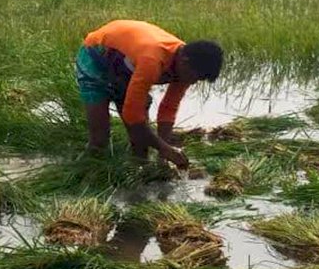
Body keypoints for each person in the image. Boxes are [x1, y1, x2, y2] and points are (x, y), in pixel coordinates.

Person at [75, 20, 224, 168]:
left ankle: (138, 177)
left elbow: (168, 108)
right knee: (100, 139)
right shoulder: (153, 60)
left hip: (126, 67)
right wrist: (165, 149)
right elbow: (132, 115)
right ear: (184, 62)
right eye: (195, 77)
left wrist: (163, 156)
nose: (193, 82)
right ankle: (80, 172)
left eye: (198, 80)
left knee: (141, 147)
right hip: (96, 56)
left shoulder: (187, 65)